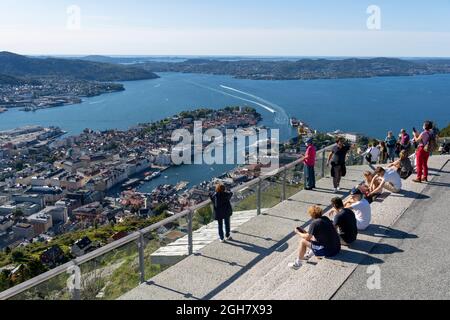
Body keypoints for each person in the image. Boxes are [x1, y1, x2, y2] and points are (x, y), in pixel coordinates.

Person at [289, 205, 341, 270]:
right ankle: (309, 255)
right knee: (314, 238)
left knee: (302, 241)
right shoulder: (325, 218)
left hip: (329, 252)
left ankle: (297, 264)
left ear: (311, 215)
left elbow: (307, 238)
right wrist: (306, 233)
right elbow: (315, 235)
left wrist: (298, 232)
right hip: (336, 248)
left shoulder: (314, 223)